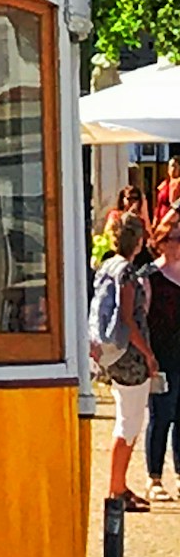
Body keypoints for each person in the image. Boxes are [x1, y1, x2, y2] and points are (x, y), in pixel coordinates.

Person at [91, 217, 160, 511]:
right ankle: (117, 488)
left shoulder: (107, 266)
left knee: (125, 418)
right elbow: (128, 320)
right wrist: (148, 354)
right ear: (139, 241)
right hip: (128, 354)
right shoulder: (128, 273)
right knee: (129, 421)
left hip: (108, 351)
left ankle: (119, 485)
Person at [144, 207, 180, 502]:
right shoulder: (151, 276)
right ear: (163, 241)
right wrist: (148, 357)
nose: (179, 243)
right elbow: (141, 319)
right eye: (175, 238)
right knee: (161, 416)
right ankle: (154, 477)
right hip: (162, 356)